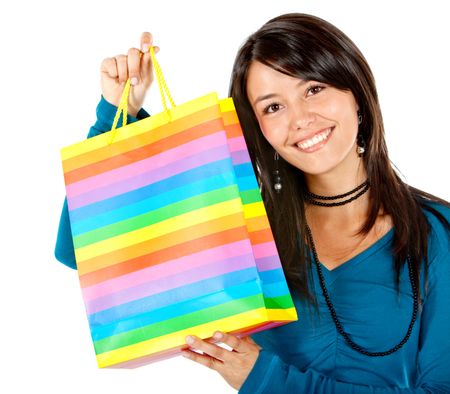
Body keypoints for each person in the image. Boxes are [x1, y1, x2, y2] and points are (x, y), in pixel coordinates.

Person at [55, 13, 450, 393]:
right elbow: (86, 252)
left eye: (314, 89)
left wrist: (266, 379)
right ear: (259, 126)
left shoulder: (438, 232)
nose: (300, 118)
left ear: (356, 95)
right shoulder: (246, 225)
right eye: (273, 107)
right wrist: (115, 118)